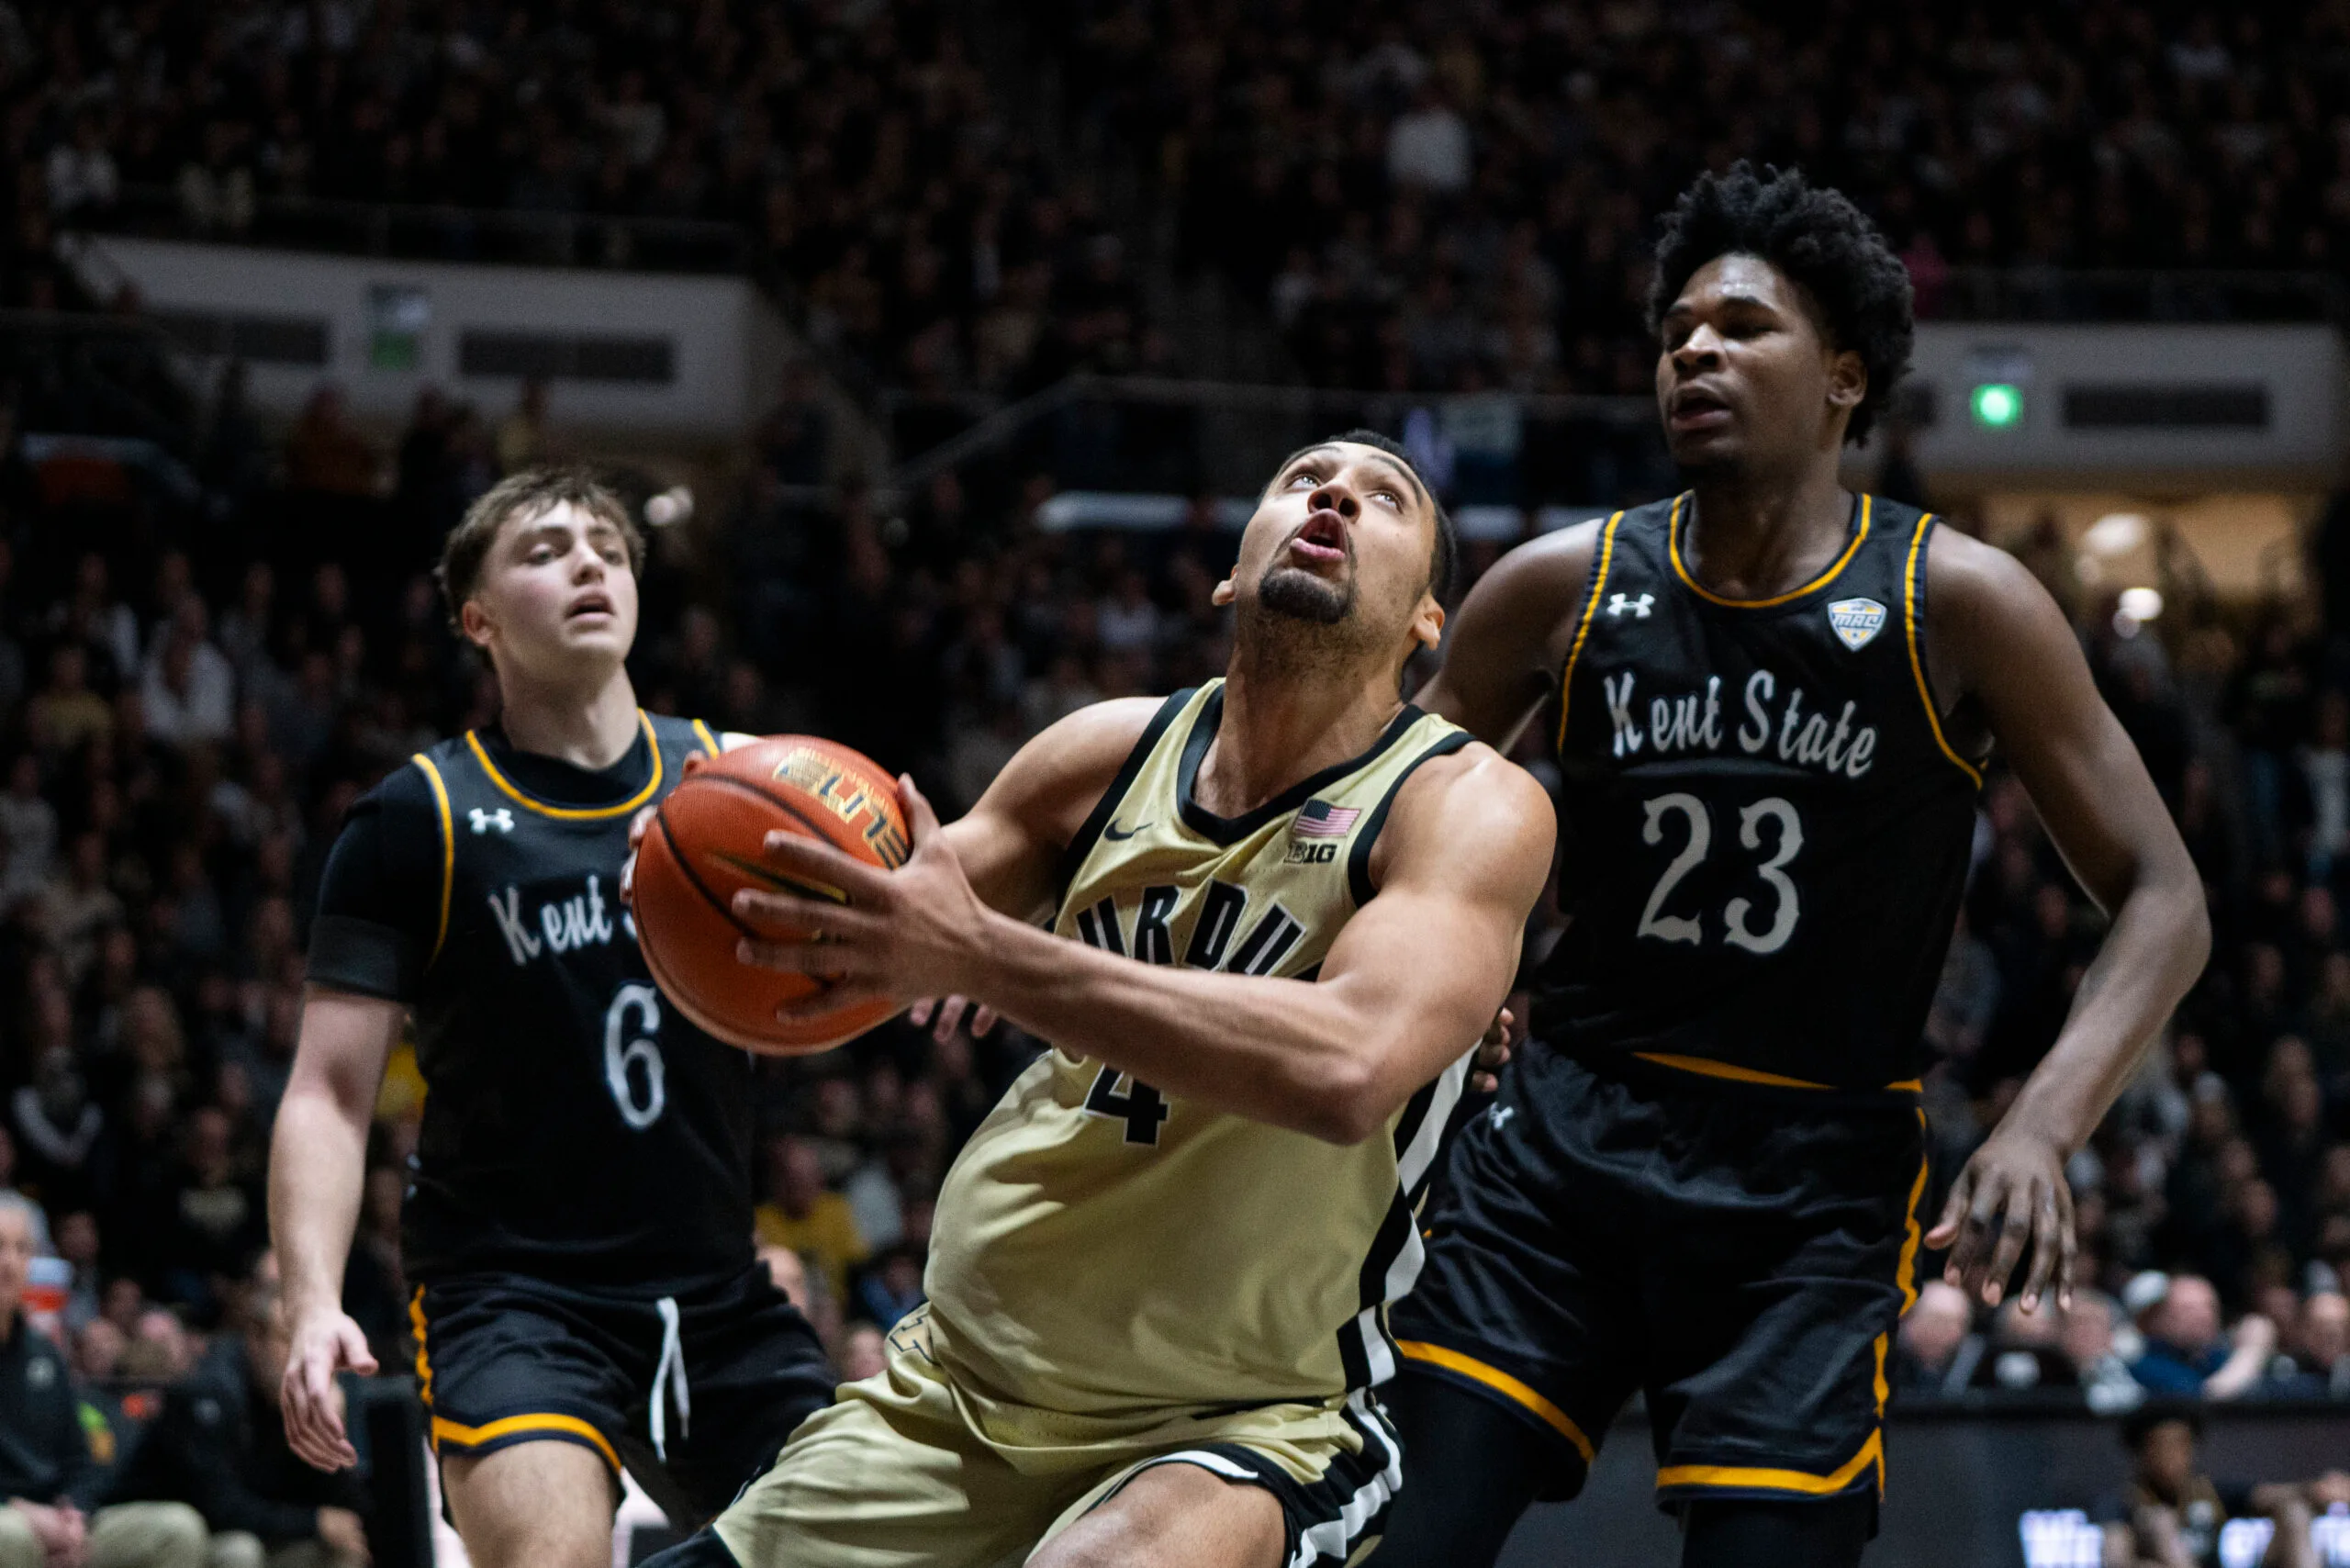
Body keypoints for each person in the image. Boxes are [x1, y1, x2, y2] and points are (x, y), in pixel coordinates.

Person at [1373, 163, 2212, 1568]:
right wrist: (1449, 977)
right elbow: (1370, 826)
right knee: (1398, 1541)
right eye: (1677, 331)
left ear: (1841, 377)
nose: (1694, 349)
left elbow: (2166, 896)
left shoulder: (1959, 601)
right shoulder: (1559, 586)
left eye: (1742, 328)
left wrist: (2042, 1127)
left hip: (1811, 1186)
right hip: (1564, 1147)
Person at [638, 431, 1552, 1568]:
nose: (1333, 497)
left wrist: (1001, 964)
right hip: (957, 1395)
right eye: (1301, 480)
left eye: (1385, 498)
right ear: (1230, 571)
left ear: (1427, 619)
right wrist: (713, 871)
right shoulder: (1102, 751)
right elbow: (871, 931)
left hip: (1244, 1424)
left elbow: (1345, 1068)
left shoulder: (1462, 803)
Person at [268, 469, 834, 1568]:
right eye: (543, 549)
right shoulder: (414, 818)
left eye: (608, 550)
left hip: (719, 1291)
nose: (587, 564)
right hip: (513, 1297)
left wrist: (946, 951)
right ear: (475, 617)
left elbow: (888, 924)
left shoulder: (740, 780)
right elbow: (329, 1092)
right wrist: (309, 1301)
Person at [0, 1193, 217, 1568]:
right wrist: (20, 1510)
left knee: (178, 1528)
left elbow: (80, 1459)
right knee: (11, 1535)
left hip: (57, 1518)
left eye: (21, 1249)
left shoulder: (46, 1353)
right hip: (11, 1521)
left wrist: (75, 1514)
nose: (9, 1261)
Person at [105, 1275, 370, 1568]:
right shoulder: (209, 1390)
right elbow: (222, 1508)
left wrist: (331, 1432)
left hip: (242, 1530)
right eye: (288, 1339)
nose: (304, 1356)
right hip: (163, 1527)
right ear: (255, 1339)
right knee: (240, 1551)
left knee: (343, 1548)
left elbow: (350, 1510)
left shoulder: (288, 1394)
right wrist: (315, 1521)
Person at [2100, 1408, 2348, 1568]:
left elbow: (2269, 1495)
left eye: (2181, 1446)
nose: (2172, 1456)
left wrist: (2317, 1489)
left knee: (2294, 1512)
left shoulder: (2208, 1492)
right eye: (2162, 1447)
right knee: (2160, 1523)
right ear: (2142, 1453)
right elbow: (2114, 1558)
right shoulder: (2124, 1501)